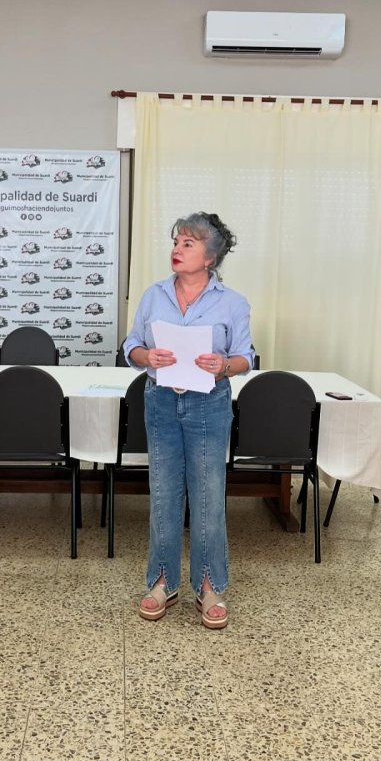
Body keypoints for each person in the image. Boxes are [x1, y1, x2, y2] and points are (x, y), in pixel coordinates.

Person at [124, 212, 253, 629]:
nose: (177, 249)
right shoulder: (154, 295)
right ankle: (162, 581)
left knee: (207, 496)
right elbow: (131, 345)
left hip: (208, 402)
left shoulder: (232, 303)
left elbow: (245, 358)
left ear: (210, 257)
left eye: (188, 244)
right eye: (176, 241)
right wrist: (146, 357)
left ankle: (210, 586)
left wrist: (223, 365)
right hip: (160, 398)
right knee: (162, 492)